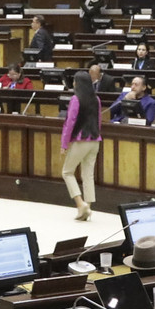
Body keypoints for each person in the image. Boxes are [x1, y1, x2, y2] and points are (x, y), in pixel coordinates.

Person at [60, 65, 103, 220]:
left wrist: (64, 143)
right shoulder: (96, 99)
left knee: (67, 172)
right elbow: (98, 121)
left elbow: (70, 122)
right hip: (95, 140)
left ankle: (80, 203)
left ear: (77, 83)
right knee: (88, 174)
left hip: (81, 140)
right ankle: (88, 209)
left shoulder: (76, 99)